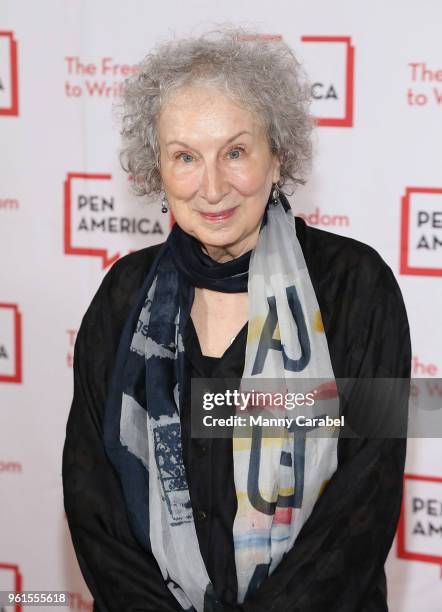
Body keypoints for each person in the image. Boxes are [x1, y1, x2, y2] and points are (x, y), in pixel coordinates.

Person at [62, 24, 411, 612]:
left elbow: (365, 498)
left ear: (278, 156)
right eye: (186, 157)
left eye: (236, 151)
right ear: (158, 173)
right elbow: (93, 498)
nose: (214, 186)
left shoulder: (356, 286)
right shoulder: (124, 294)